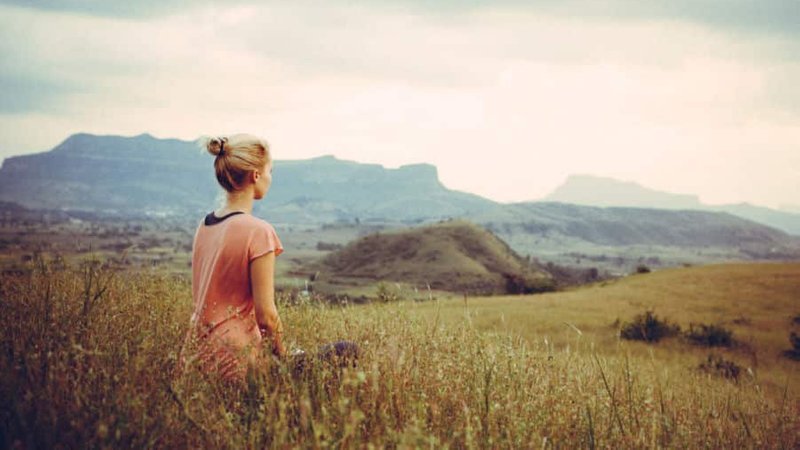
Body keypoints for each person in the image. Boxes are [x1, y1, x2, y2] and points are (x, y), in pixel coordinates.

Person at [179, 133, 285, 384]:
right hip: (236, 362)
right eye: (270, 170)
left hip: (193, 359)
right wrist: (282, 362)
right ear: (256, 175)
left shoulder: (204, 226)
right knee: (346, 351)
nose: (271, 177)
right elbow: (267, 317)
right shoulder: (258, 231)